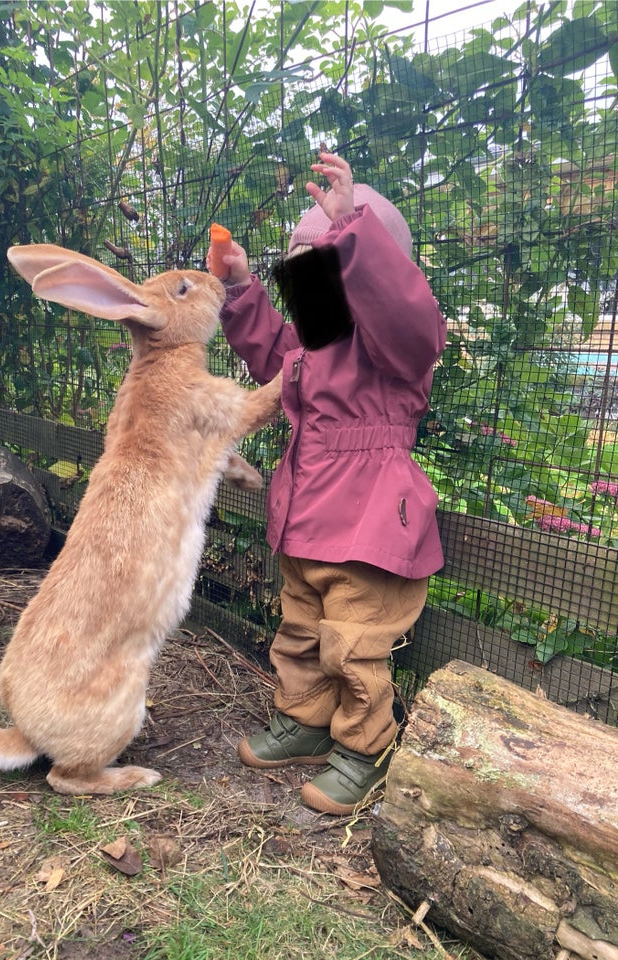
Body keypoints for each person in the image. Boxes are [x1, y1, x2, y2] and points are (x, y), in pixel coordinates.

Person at [208, 152, 446, 815]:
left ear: (371, 263)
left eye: (327, 264)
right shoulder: (321, 342)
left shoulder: (400, 342)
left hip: (369, 515)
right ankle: (305, 722)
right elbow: (275, 356)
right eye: (305, 267)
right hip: (311, 508)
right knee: (303, 628)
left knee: (355, 642)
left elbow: (404, 317)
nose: (312, 281)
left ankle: (365, 750)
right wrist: (242, 287)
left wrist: (352, 230)